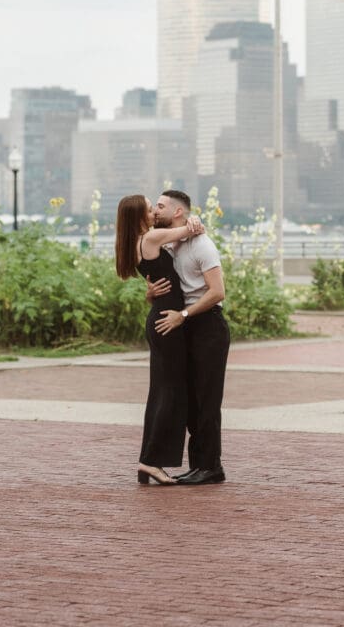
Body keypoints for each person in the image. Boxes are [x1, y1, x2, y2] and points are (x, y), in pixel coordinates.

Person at [114, 193, 204, 486]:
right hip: (167, 321)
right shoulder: (150, 239)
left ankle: (148, 461)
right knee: (170, 393)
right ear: (139, 214)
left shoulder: (139, 242)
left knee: (161, 393)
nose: (154, 210)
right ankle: (151, 461)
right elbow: (190, 229)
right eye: (149, 207)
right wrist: (194, 219)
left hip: (161, 317)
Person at [147, 189, 229, 486]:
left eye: (160, 206)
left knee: (207, 400)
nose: (155, 211)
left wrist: (183, 315)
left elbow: (217, 292)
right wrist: (151, 294)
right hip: (187, 326)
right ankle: (199, 465)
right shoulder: (173, 244)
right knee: (192, 400)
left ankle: (211, 467)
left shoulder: (201, 244)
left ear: (177, 212)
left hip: (208, 326)